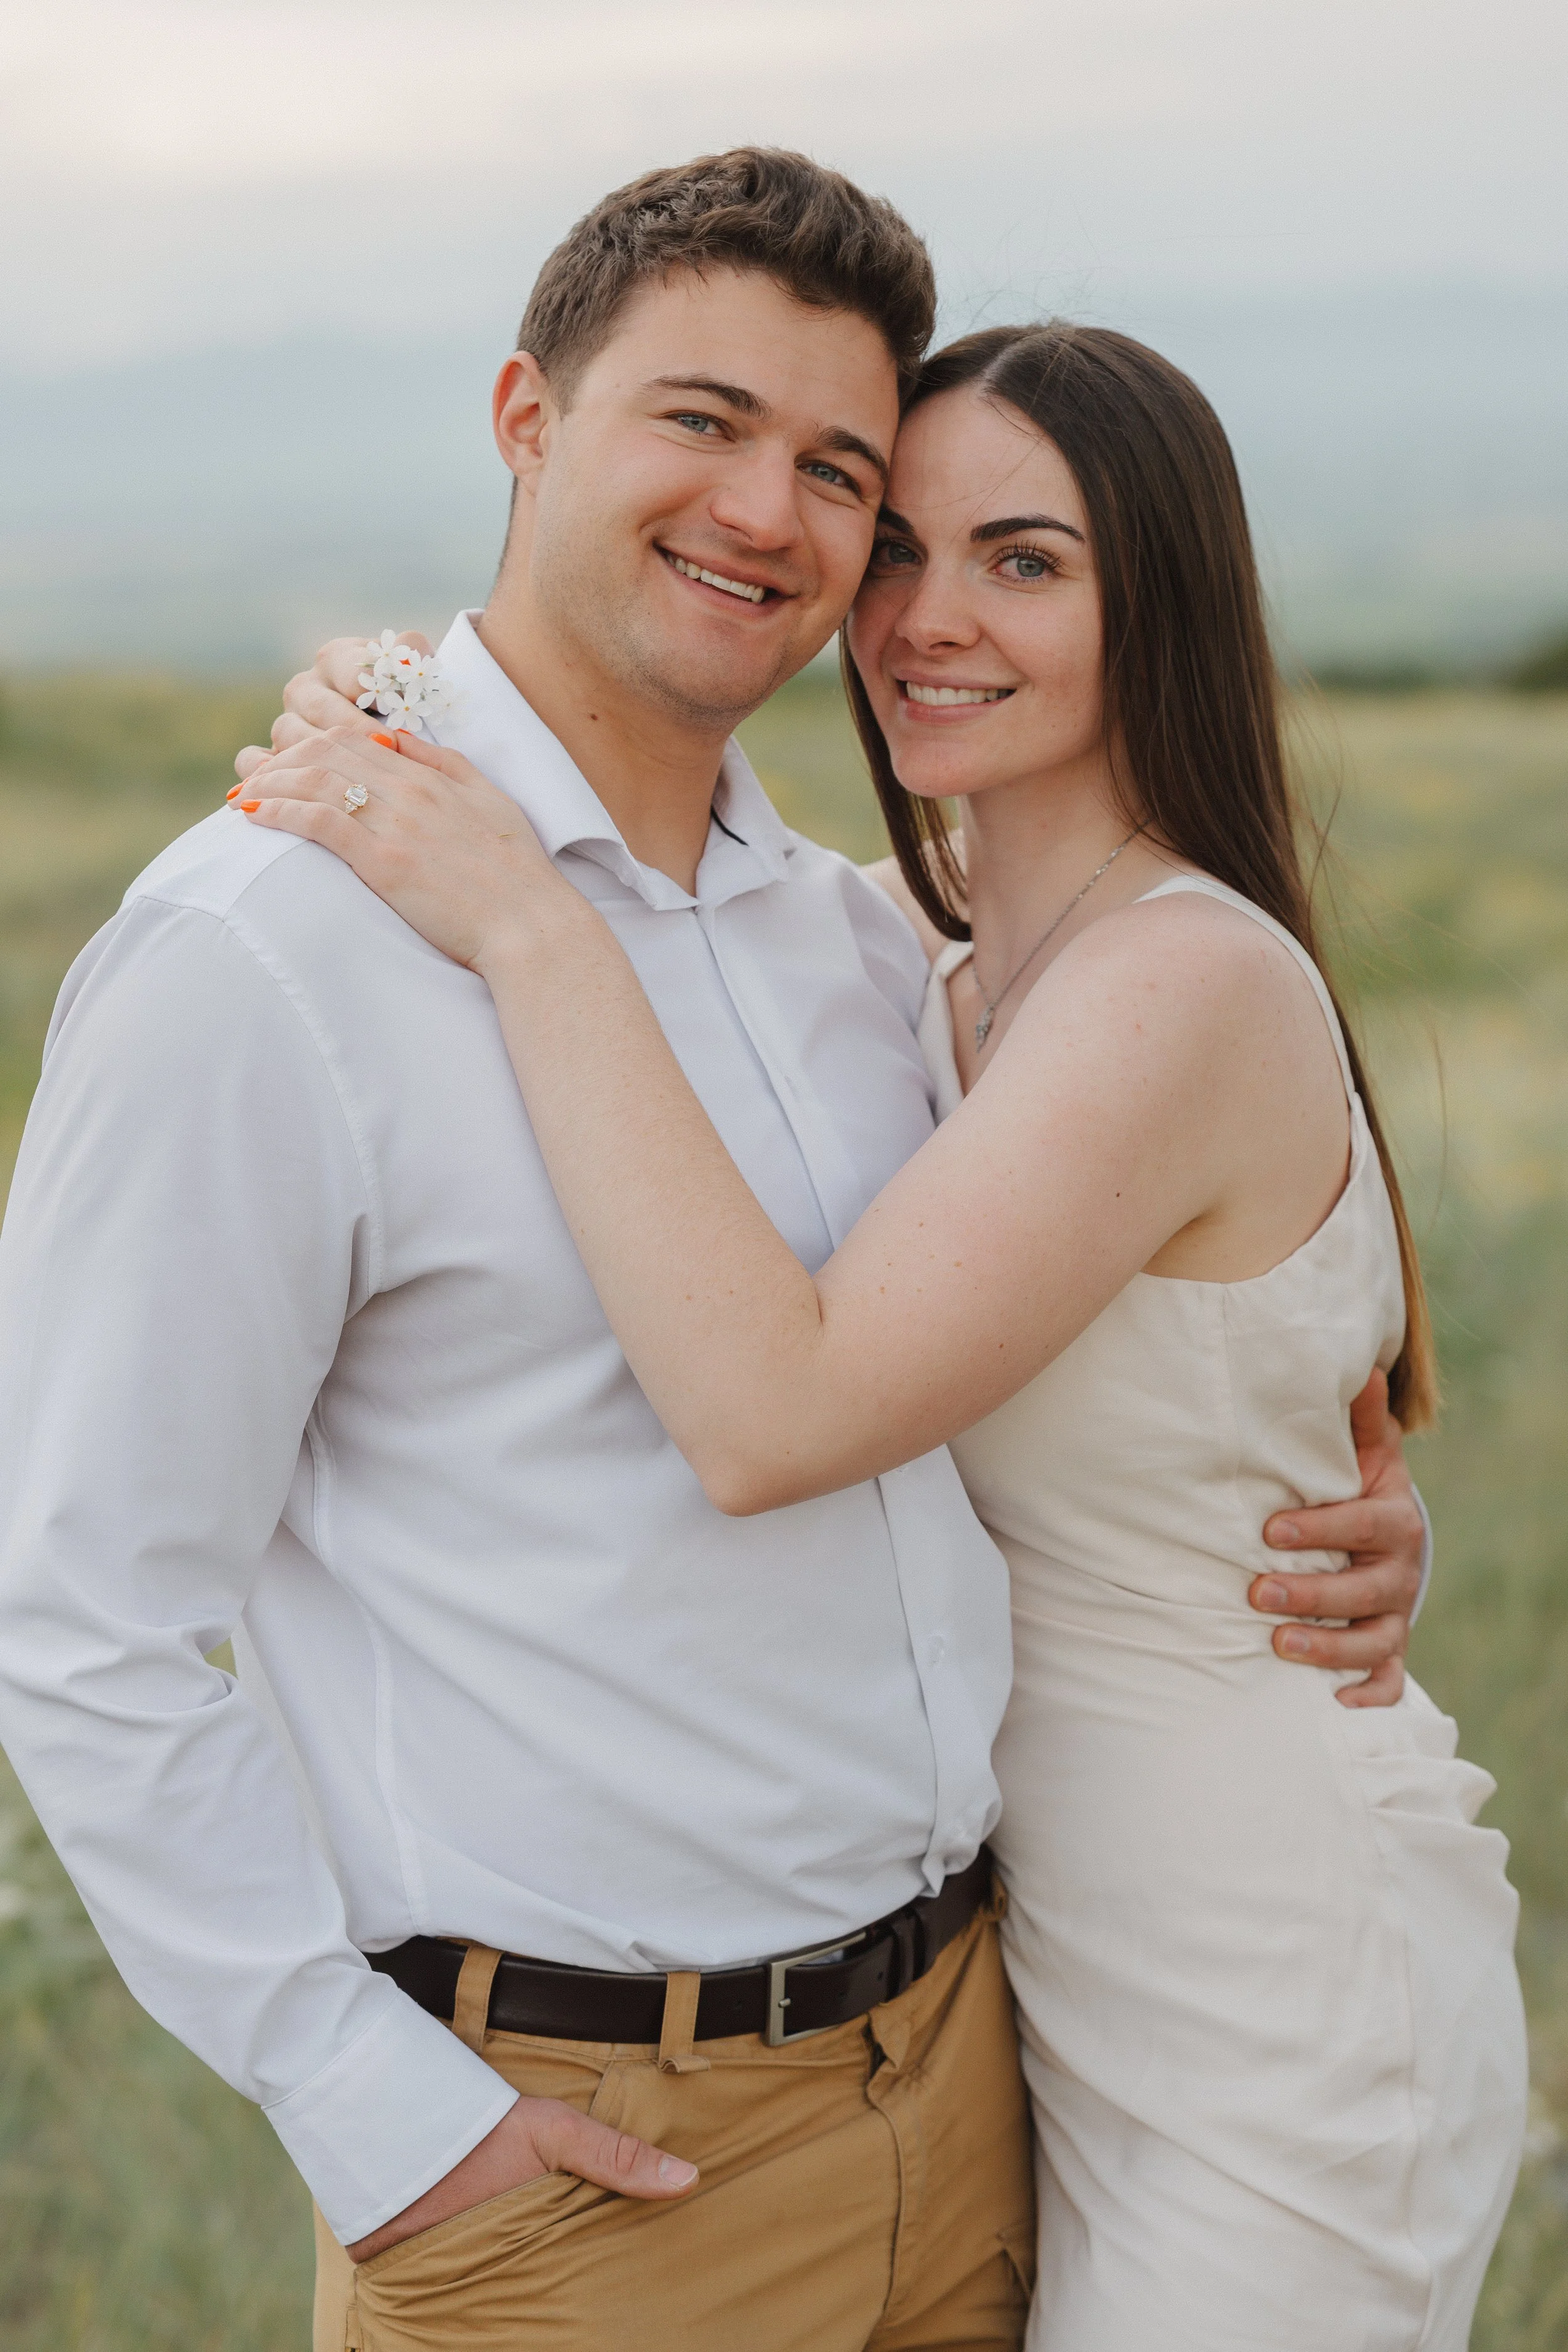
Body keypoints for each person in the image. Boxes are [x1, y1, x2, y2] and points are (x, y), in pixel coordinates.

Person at [0, 153, 1424, 2352]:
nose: (769, 509)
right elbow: (79, 1605)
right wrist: (364, 2098)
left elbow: (1039, 1349)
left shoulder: (867, 945)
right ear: (525, 419)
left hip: (995, 2079)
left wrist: (1285, 1498)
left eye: (836, 466)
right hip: (588, 2156)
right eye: (700, 420)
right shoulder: (258, 956)